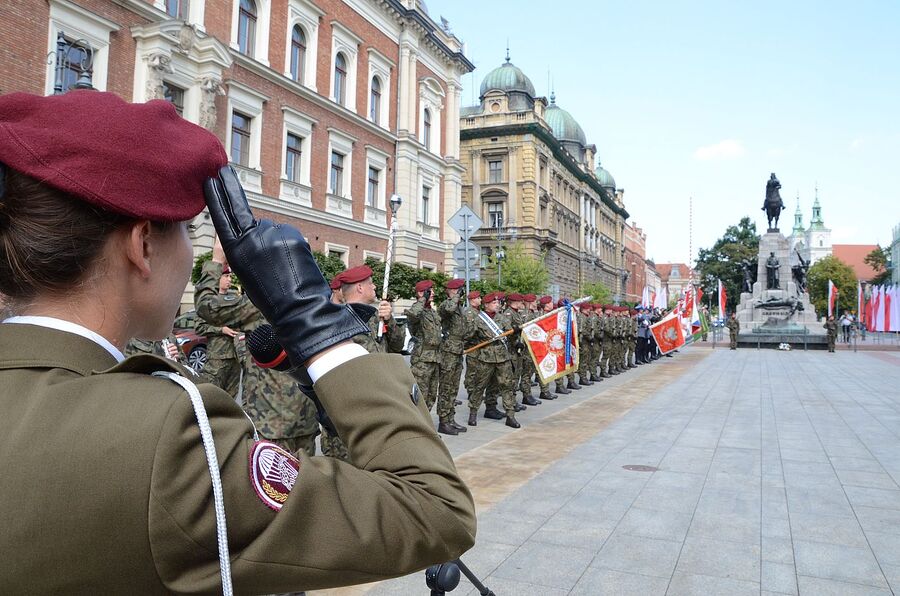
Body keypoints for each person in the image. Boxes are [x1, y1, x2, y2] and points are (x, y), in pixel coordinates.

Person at [0, 90, 474, 593]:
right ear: (142, 246)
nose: (189, 251)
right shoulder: (172, 437)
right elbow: (435, 512)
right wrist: (316, 324)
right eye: (186, 230)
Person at [436, 278, 470, 435]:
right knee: (446, 387)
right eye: (458, 290)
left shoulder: (460, 308)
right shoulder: (446, 304)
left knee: (454, 388)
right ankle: (443, 421)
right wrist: (455, 297)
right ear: (451, 291)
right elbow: (448, 309)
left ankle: (450, 418)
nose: (460, 293)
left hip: (458, 350)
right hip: (448, 350)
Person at [404, 280, 443, 414]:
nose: (433, 293)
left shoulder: (432, 311)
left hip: (435, 358)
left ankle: (426, 427)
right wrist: (422, 299)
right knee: (419, 397)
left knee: (431, 396)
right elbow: (414, 314)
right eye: (429, 290)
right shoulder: (416, 309)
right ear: (421, 293)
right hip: (422, 360)